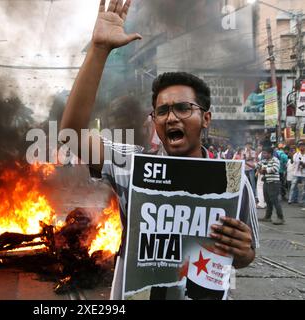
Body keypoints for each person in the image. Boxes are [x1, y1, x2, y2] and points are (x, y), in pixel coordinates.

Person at [60, 0, 258, 300]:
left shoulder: (234, 183)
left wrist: (244, 252)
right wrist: (98, 50)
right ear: (154, 121)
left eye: (183, 108)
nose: (172, 117)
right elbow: (71, 136)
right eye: (162, 111)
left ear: (206, 118)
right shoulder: (132, 167)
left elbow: (246, 255)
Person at [257, 147, 285, 225]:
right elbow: (257, 165)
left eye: (265, 153)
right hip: (266, 182)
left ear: (270, 153)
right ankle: (268, 217)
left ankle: (281, 218)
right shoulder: (264, 160)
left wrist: (264, 170)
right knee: (268, 201)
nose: (263, 155)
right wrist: (259, 168)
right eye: (263, 153)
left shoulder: (275, 160)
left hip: (274, 183)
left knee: (275, 201)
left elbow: (275, 169)